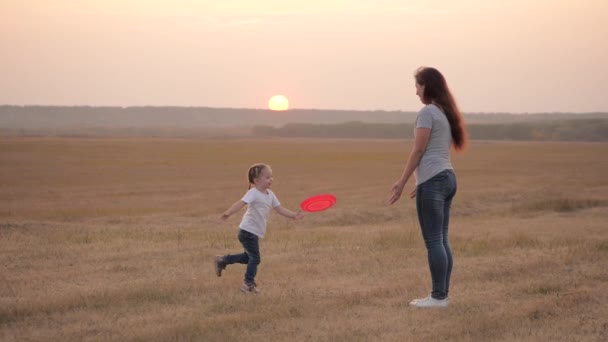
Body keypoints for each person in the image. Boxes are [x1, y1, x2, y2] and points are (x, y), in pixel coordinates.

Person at [389, 67, 467, 308]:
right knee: (441, 239)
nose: (415, 91)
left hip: (434, 181)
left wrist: (402, 182)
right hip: (447, 178)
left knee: (434, 241)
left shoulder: (427, 113)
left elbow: (419, 150)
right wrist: (419, 182)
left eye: (417, 86)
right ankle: (441, 295)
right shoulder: (444, 112)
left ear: (427, 86)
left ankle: (438, 297)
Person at [215, 163, 303, 293]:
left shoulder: (270, 194)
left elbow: (279, 209)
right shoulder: (253, 193)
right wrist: (228, 213)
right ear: (256, 181)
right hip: (247, 231)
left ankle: (222, 260)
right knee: (255, 258)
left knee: (247, 257)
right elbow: (241, 203)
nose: (271, 179)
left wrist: (293, 215)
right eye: (267, 177)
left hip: (254, 233)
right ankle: (248, 284)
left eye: (271, 176)